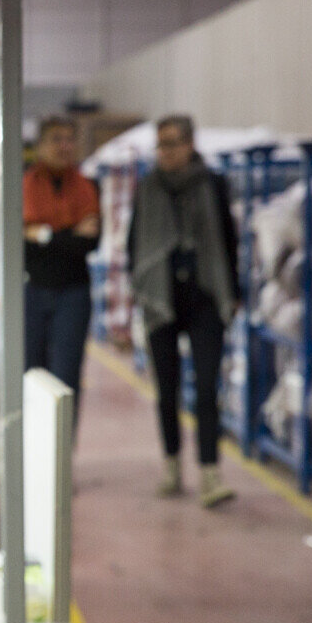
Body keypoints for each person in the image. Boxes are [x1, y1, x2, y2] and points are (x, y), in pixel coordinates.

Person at [127, 114, 239, 508]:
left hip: (205, 295)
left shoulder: (213, 183)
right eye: (160, 145)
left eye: (172, 144)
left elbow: (228, 238)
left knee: (207, 386)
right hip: (162, 296)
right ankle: (171, 464)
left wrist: (233, 292)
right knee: (166, 388)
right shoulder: (148, 188)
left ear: (190, 144)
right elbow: (134, 242)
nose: (166, 153)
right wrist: (137, 289)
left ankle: (211, 472)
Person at [23, 116, 101, 421]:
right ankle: (31, 451)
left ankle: (61, 456)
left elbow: (89, 243)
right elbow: (22, 245)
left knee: (66, 375)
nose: (64, 146)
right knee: (31, 371)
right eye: (56, 139)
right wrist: (68, 234)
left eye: (70, 139)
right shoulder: (25, 185)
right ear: (40, 145)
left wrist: (42, 234)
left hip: (74, 292)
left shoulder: (86, 186)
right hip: (33, 289)